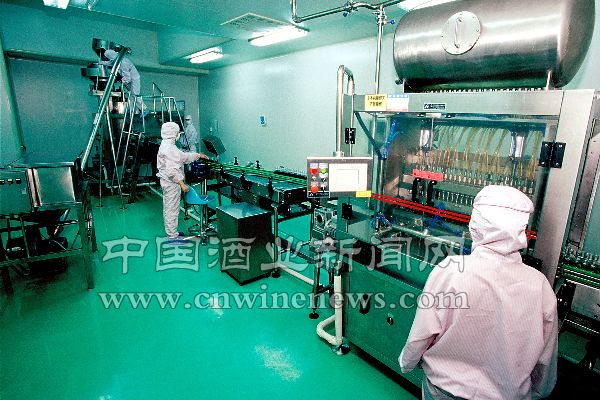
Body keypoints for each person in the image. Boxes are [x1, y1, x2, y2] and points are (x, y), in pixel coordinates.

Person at [399, 185, 558, 400]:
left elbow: (422, 334)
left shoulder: (450, 270)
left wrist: (407, 362)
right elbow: (545, 359)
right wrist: (538, 391)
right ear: (521, 231)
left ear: (475, 225)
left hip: (444, 390)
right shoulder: (539, 286)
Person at [156, 122, 208, 240]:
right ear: (173, 133)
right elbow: (172, 171)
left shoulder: (168, 145)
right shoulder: (169, 148)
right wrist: (182, 184)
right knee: (171, 209)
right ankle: (172, 237)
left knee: (171, 208)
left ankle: (172, 233)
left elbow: (183, 157)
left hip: (169, 182)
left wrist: (197, 155)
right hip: (171, 183)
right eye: (177, 132)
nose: (178, 135)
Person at [103, 49, 146, 115]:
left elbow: (127, 76)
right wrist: (100, 63)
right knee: (130, 95)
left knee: (135, 94)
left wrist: (124, 81)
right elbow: (111, 63)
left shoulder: (123, 62)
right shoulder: (117, 59)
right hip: (130, 79)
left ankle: (144, 109)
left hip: (134, 79)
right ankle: (133, 110)